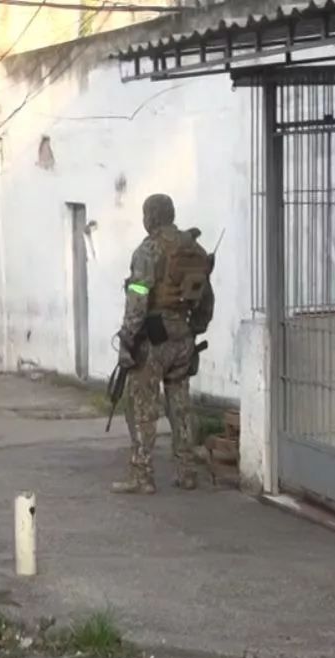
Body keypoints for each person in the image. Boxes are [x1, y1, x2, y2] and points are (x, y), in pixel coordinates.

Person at [115, 194, 215, 494]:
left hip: (154, 338)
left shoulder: (149, 249)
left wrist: (127, 338)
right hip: (183, 336)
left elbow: (137, 297)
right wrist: (194, 329)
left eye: (146, 214)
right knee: (181, 405)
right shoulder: (194, 249)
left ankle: (141, 475)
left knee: (143, 405)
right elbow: (206, 298)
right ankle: (187, 472)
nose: (144, 220)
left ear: (153, 217)